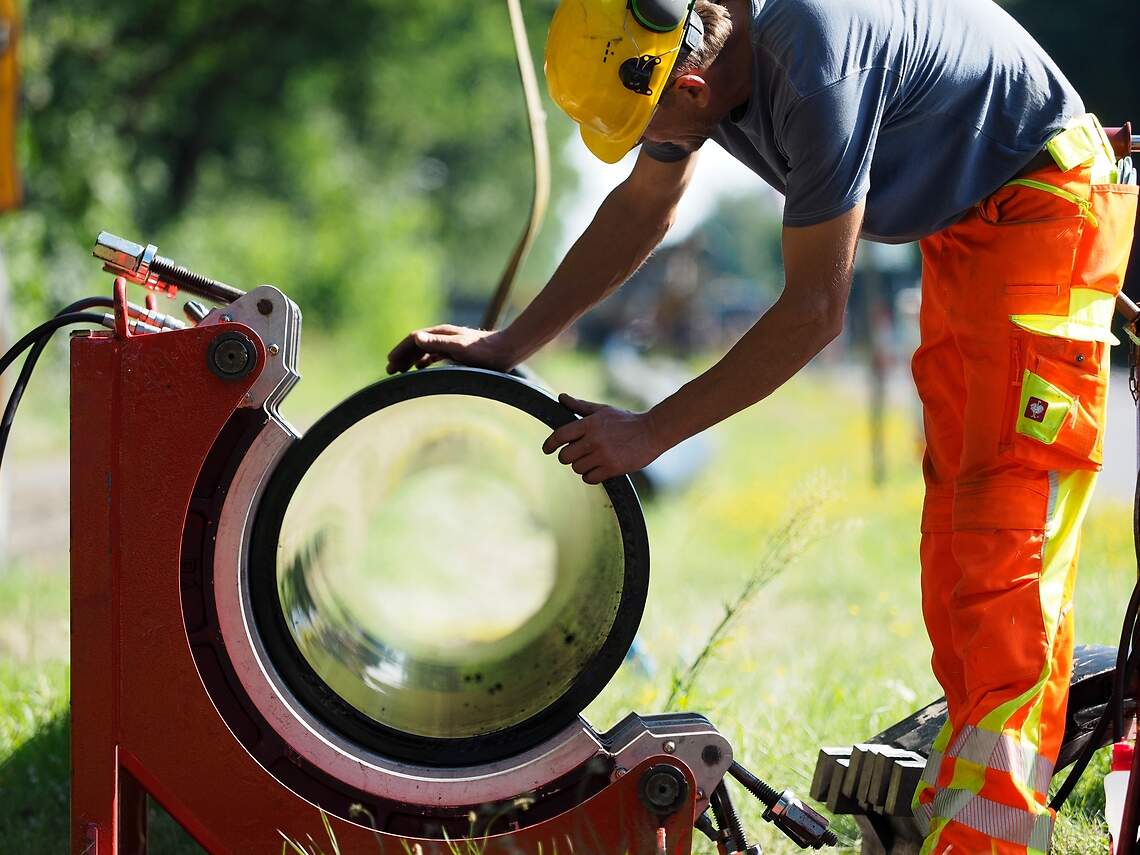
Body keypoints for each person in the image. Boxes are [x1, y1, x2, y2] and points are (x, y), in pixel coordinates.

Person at [387, 0, 1138, 851]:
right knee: (959, 539)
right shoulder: (690, 57)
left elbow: (815, 310)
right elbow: (642, 209)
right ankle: (962, 809)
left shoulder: (811, 59)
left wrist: (652, 431)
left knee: (1005, 537)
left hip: (1043, 202)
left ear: (696, 87)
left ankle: (991, 837)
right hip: (968, 227)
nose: (647, 143)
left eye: (646, 125)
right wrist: (507, 343)